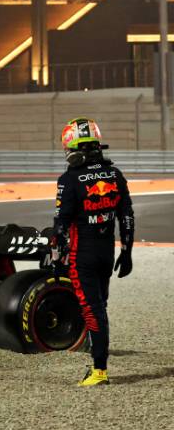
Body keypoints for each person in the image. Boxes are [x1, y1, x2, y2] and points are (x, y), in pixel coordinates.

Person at [52, 117, 134, 387]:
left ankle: (99, 370)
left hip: (82, 253)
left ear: (76, 148)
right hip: (107, 253)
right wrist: (128, 251)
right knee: (100, 306)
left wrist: (56, 257)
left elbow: (61, 224)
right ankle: (92, 348)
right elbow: (127, 216)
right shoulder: (114, 174)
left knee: (92, 310)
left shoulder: (69, 179)